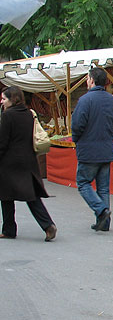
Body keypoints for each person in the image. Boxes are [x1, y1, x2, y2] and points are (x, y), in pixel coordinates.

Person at [0, 86, 57, 241]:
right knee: (30, 196)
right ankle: (47, 224)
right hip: (29, 159)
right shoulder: (28, 113)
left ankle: (9, 229)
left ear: (12, 100)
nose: (2, 102)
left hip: (10, 162)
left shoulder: (7, 115)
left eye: (4, 99)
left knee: (6, 196)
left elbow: (3, 142)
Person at [71, 67, 113, 232]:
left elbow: (77, 125)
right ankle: (104, 222)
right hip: (106, 149)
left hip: (88, 150)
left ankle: (101, 210)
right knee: (103, 187)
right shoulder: (111, 100)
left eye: (87, 78)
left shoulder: (85, 100)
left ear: (91, 80)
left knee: (83, 183)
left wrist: (77, 139)